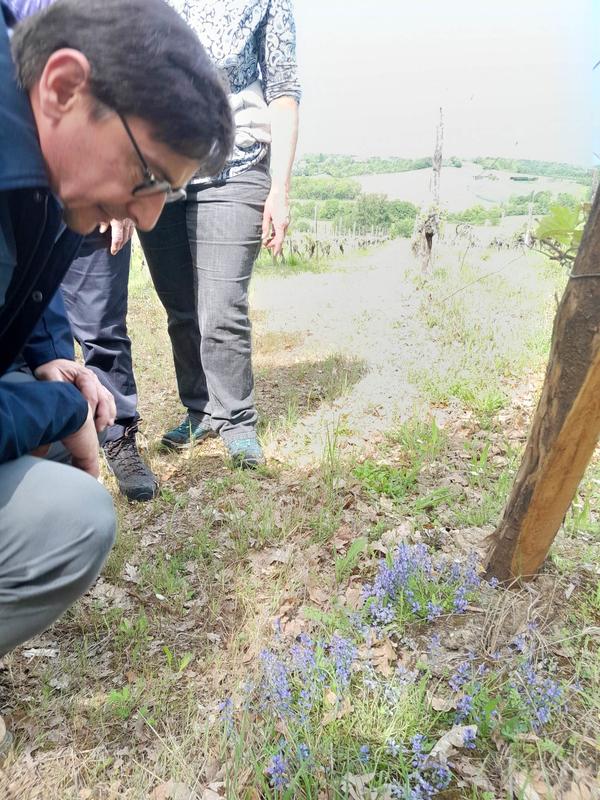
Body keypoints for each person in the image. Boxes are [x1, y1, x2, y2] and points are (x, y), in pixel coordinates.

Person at [0, 0, 232, 682]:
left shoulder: (36, 155)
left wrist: (48, 356)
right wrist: (62, 413)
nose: (150, 213)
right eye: (150, 175)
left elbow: (29, 241)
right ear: (64, 87)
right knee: (68, 512)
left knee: (67, 509)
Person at [138, 0, 301, 468]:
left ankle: (236, 419)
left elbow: (285, 90)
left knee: (221, 307)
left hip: (236, 163)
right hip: (158, 171)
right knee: (180, 306)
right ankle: (200, 409)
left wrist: (280, 190)